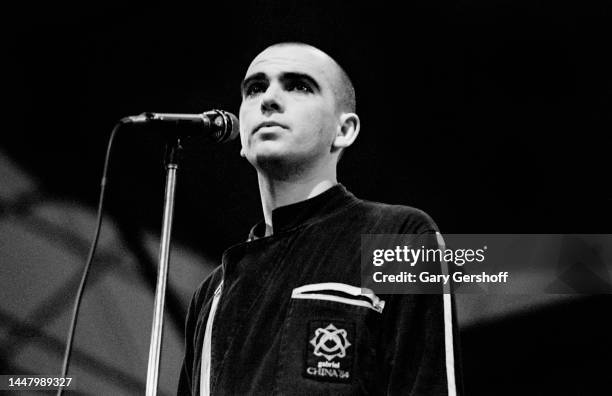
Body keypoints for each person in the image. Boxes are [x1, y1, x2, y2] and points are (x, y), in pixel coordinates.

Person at [178, 42, 460, 395]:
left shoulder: (397, 237)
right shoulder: (213, 293)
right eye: (254, 89)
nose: (269, 99)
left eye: (298, 86)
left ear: (344, 131)